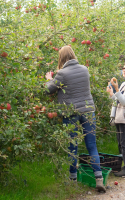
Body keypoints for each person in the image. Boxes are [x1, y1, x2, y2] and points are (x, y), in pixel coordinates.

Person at [45, 46, 105, 192]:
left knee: (73, 147)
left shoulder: (62, 73)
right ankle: (99, 179)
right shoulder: (85, 69)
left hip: (70, 112)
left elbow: (48, 90)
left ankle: (73, 180)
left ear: (62, 57)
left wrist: (49, 79)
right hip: (88, 110)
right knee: (92, 145)